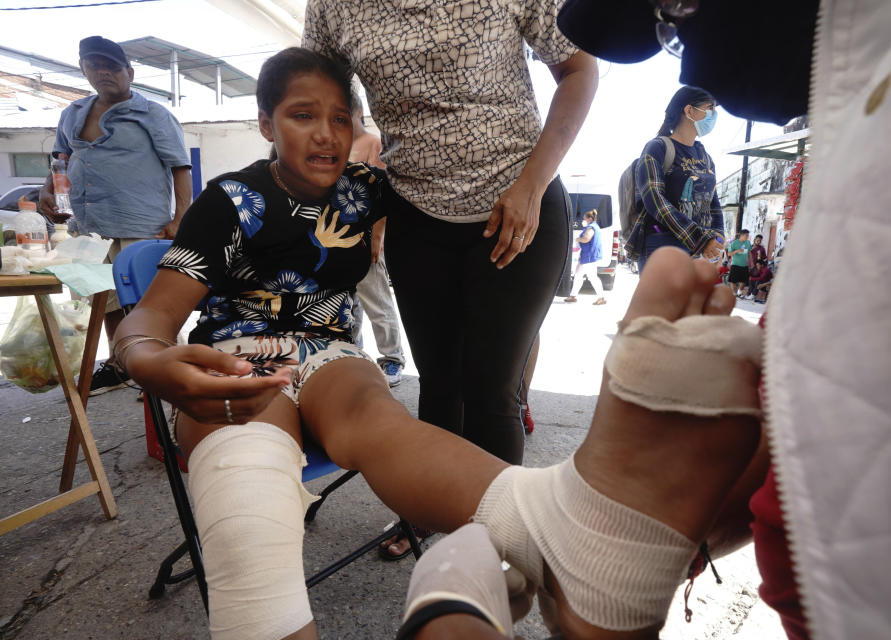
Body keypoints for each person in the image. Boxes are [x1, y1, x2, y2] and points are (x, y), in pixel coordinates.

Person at [114, 48, 765, 640]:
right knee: (248, 462)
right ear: (264, 124)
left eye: (341, 119)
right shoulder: (232, 201)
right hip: (239, 359)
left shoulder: (362, 190)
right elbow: (148, 321)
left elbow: (423, 172)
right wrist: (147, 360)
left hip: (332, 358)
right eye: (302, 115)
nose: (325, 134)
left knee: (379, 416)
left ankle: (564, 536)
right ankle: (548, 536)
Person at [558, 1, 891, 639]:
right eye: (668, 28)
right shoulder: (874, 131)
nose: (693, 60)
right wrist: (639, 536)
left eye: (679, 7)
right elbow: (801, 418)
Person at [303, 0, 598, 558]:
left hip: (517, 206)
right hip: (415, 210)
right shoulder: (334, 6)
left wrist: (533, 185)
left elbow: (580, 66)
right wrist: (357, 161)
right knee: (439, 387)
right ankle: (428, 514)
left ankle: (499, 545)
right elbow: (322, 90)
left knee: (491, 390)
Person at [38, 35, 192, 396]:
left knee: (148, 302)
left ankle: (166, 367)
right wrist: (48, 188)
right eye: (95, 66)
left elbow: (180, 167)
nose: (104, 73)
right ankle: (121, 363)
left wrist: (181, 216)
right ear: (84, 70)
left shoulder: (154, 115)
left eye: (112, 67)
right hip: (88, 227)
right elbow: (60, 159)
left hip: (140, 225)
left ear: (130, 72)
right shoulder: (73, 113)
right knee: (103, 300)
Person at [621, 85, 725, 270]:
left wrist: (717, 238)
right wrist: (700, 239)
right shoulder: (657, 148)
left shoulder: (704, 156)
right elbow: (655, 202)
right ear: (689, 110)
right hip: (663, 245)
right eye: (710, 108)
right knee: (661, 300)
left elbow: (713, 203)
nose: (714, 114)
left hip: (698, 250)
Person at [348, 89, 406, 387]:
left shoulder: (372, 143)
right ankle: (351, 352)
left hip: (368, 238)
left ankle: (392, 358)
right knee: (348, 301)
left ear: (358, 112)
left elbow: (383, 194)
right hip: (340, 240)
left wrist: (377, 237)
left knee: (376, 300)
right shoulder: (338, 145)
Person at [564, 208, 606, 304]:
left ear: (590, 219)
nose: (584, 221)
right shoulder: (595, 226)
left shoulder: (591, 227)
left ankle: (601, 298)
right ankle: (573, 296)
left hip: (589, 257)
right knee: (578, 275)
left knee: (592, 277)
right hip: (588, 256)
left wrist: (578, 239)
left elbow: (586, 238)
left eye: (585, 219)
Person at [726, 229, 751, 297]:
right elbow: (729, 254)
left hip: (744, 265)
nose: (747, 237)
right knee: (733, 280)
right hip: (735, 264)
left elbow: (749, 253)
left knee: (744, 280)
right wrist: (736, 251)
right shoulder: (734, 243)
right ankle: (733, 293)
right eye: (746, 235)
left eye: (748, 235)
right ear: (741, 235)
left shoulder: (748, 243)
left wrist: (752, 263)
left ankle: (739, 292)